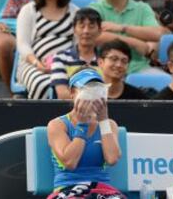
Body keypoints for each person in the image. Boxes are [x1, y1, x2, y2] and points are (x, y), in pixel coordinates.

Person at [47, 68, 124, 199]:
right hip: (67, 188)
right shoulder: (57, 125)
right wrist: (82, 124)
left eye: (97, 90)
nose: (92, 96)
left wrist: (103, 120)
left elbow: (112, 159)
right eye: (87, 90)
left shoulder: (109, 124)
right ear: (72, 92)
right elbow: (70, 162)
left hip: (103, 189)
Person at [89, 0, 166, 74]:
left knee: (162, 81)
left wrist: (122, 28)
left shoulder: (142, 8)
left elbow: (157, 33)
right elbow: (94, 37)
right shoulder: (95, 8)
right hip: (104, 68)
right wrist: (135, 43)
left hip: (139, 67)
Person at [16, 0, 77, 99]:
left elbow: (78, 45)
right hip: (33, 65)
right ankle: (40, 120)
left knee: (81, 84)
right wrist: (37, 63)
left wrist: (64, 65)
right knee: (43, 84)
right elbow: (22, 44)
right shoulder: (28, 10)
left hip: (68, 65)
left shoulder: (74, 12)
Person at [51, 8, 101, 100]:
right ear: (74, 30)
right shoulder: (61, 58)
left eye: (91, 26)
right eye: (82, 26)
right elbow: (62, 94)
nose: (86, 31)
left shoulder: (106, 59)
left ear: (99, 30)